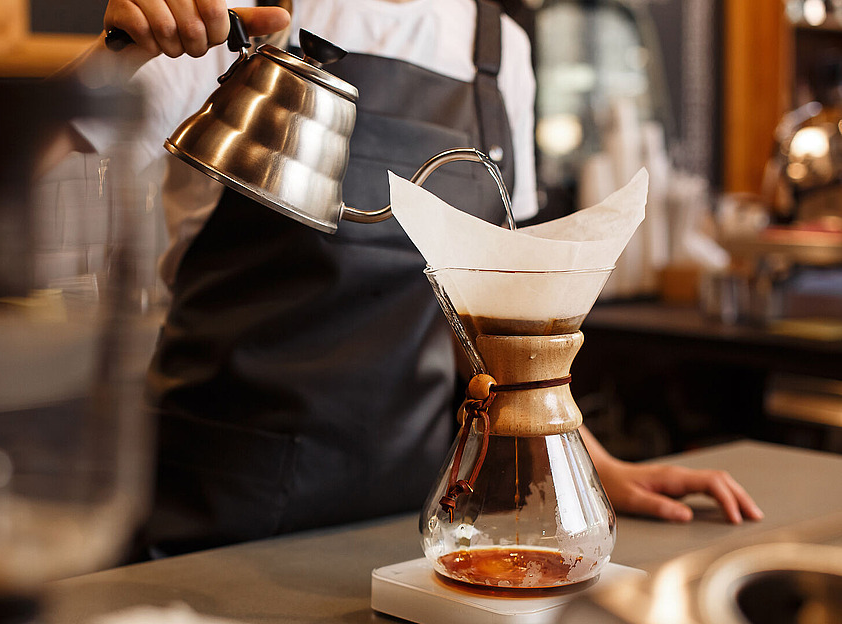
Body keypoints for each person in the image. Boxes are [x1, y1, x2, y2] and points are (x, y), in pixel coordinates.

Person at [69, 0, 762, 557]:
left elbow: (486, 320)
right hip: (215, 513)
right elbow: (2, 179)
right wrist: (120, 50)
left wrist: (592, 462)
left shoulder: (500, 49)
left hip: (418, 524)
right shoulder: (233, 13)